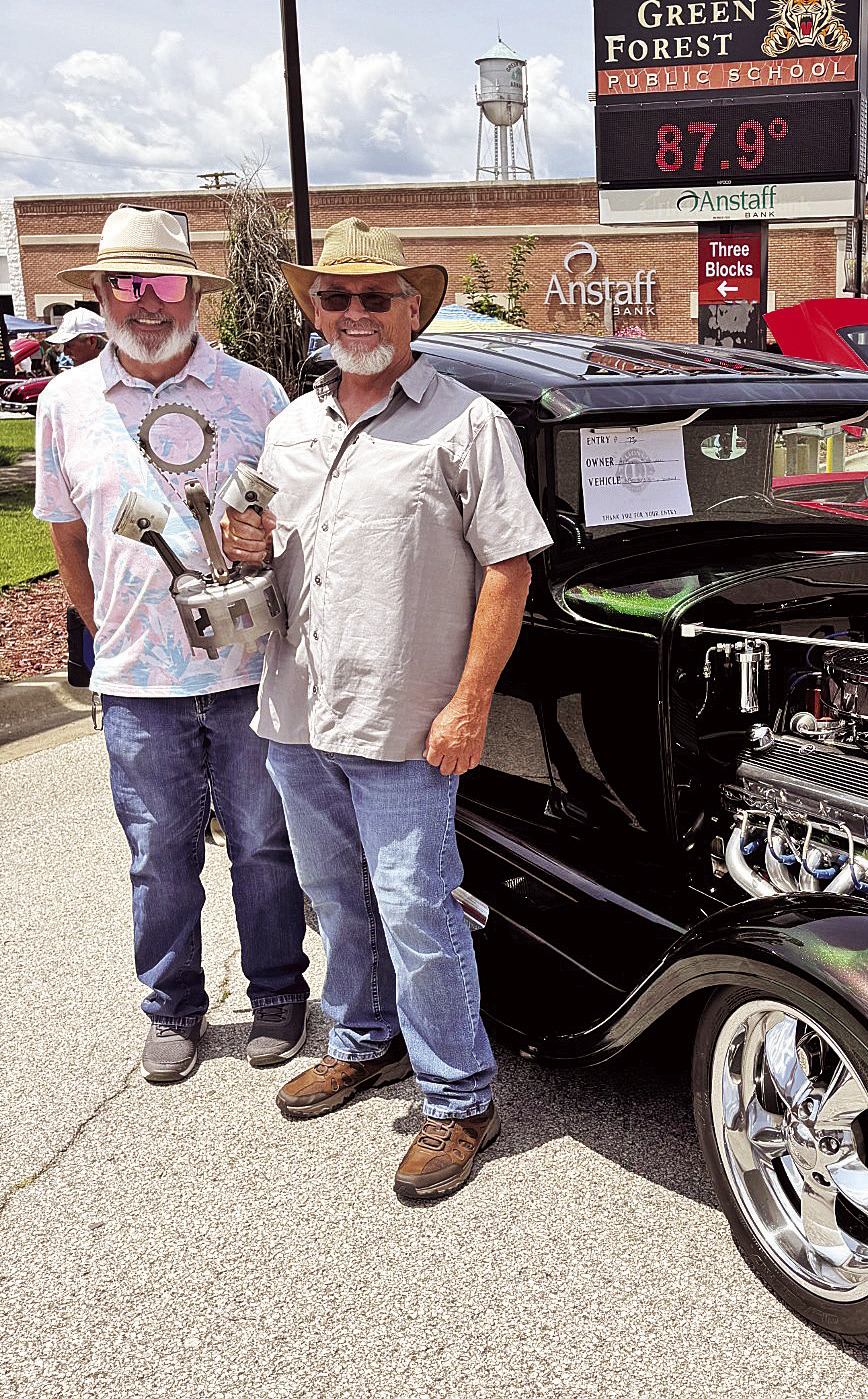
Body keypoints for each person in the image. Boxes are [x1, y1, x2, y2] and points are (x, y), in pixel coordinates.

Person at [221, 218, 552, 1201]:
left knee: (418, 911)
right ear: (313, 311)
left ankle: (460, 1099)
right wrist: (245, 547)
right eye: (336, 297)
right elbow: (271, 558)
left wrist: (470, 703)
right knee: (339, 900)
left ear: (414, 309)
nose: (356, 313)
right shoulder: (288, 426)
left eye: (377, 297)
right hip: (298, 712)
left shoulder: (465, 423)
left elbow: (510, 567)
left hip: (406, 724)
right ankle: (366, 1041)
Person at [33, 205, 310, 1084]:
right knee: (159, 853)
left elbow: (292, 518)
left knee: (266, 842)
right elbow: (67, 540)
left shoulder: (257, 393)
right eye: (127, 283)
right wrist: (110, 632)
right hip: (137, 681)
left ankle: (276, 993)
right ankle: (174, 1007)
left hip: (247, 669)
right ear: (102, 294)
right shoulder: (65, 402)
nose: (146, 302)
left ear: (193, 291)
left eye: (163, 283)